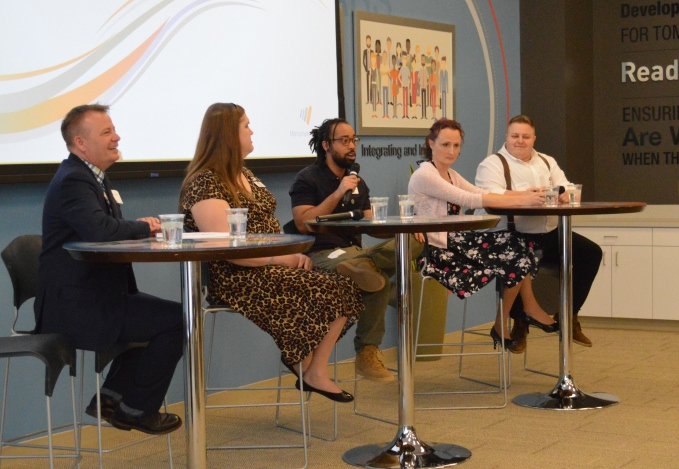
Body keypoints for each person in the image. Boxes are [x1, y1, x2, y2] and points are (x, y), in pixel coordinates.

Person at [179, 103, 361, 402]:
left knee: (345, 286)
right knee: (329, 289)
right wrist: (281, 258)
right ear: (228, 134)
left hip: (269, 263)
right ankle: (304, 362)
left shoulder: (245, 174)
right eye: (246, 126)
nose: (252, 131)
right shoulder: (206, 182)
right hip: (236, 275)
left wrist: (288, 255)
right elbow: (228, 249)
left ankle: (312, 367)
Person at [35, 104, 183, 435]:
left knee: (163, 318)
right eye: (106, 132)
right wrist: (145, 228)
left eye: (114, 130)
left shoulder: (91, 177)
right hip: (77, 308)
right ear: (80, 143)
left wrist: (135, 227)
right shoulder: (74, 179)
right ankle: (136, 410)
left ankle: (112, 400)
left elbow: (103, 229)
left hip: (97, 297)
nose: (117, 137)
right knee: (178, 320)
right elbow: (101, 231)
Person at [289, 118, 421, 382]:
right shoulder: (307, 178)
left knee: (415, 241)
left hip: (356, 253)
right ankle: (367, 353)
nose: (352, 146)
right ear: (326, 145)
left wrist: (403, 230)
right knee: (377, 283)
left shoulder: (358, 181)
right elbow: (303, 223)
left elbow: (371, 225)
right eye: (344, 140)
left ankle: (365, 267)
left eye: (354, 140)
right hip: (322, 253)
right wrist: (338, 192)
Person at [408, 118, 557, 348]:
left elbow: (481, 192)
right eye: (445, 144)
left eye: (456, 145)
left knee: (519, 243)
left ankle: (511, 317)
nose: (451, 151)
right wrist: (525, 199)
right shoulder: (425, 174)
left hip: (456, 241)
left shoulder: (450, 174)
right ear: (431, 143)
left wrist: (525, 194)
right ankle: (517, 314)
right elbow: (472, 199)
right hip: (439, 250)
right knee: (516, 250)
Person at [475, 114, 602, 350]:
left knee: (591, 253)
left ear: (534, 138)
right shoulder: (492, 164)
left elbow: (569, 187)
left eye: (525, 136)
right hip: (514, 234)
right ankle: (520, 321)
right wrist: (526, 196)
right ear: (506, 137)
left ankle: (569, 315)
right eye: (515, 136)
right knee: (516, 258)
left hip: (550, 234)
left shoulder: (546, 161)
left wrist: (564, 195)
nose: (520, 141)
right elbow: (489, 196)